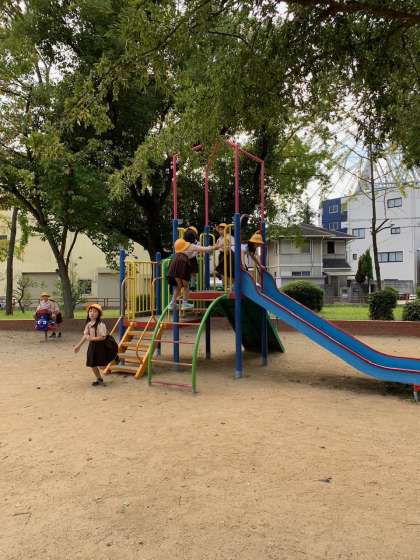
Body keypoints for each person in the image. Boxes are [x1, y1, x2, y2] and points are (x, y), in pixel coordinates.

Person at [167, 237, 215, 311]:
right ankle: (185, 303)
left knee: (178, 286)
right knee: (186, 286)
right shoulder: (190, 247)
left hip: (173, 262)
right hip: (182, 262)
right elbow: (204, 249)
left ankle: (172, 303)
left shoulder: (177, 252)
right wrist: (215, 247)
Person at [74, 303, 108, 386]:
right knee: (92, 363)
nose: (92, 313)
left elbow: (103, 337)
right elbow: (85, 336)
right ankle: (99, 379)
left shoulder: (101, 324)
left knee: (102, 366)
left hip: (101, 346)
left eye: (95, 311)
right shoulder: (88, 324)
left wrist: (93, 338)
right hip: (92, 346)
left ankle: (112, 360)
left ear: (99, 314)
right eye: (90, 311)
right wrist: (78, 346)